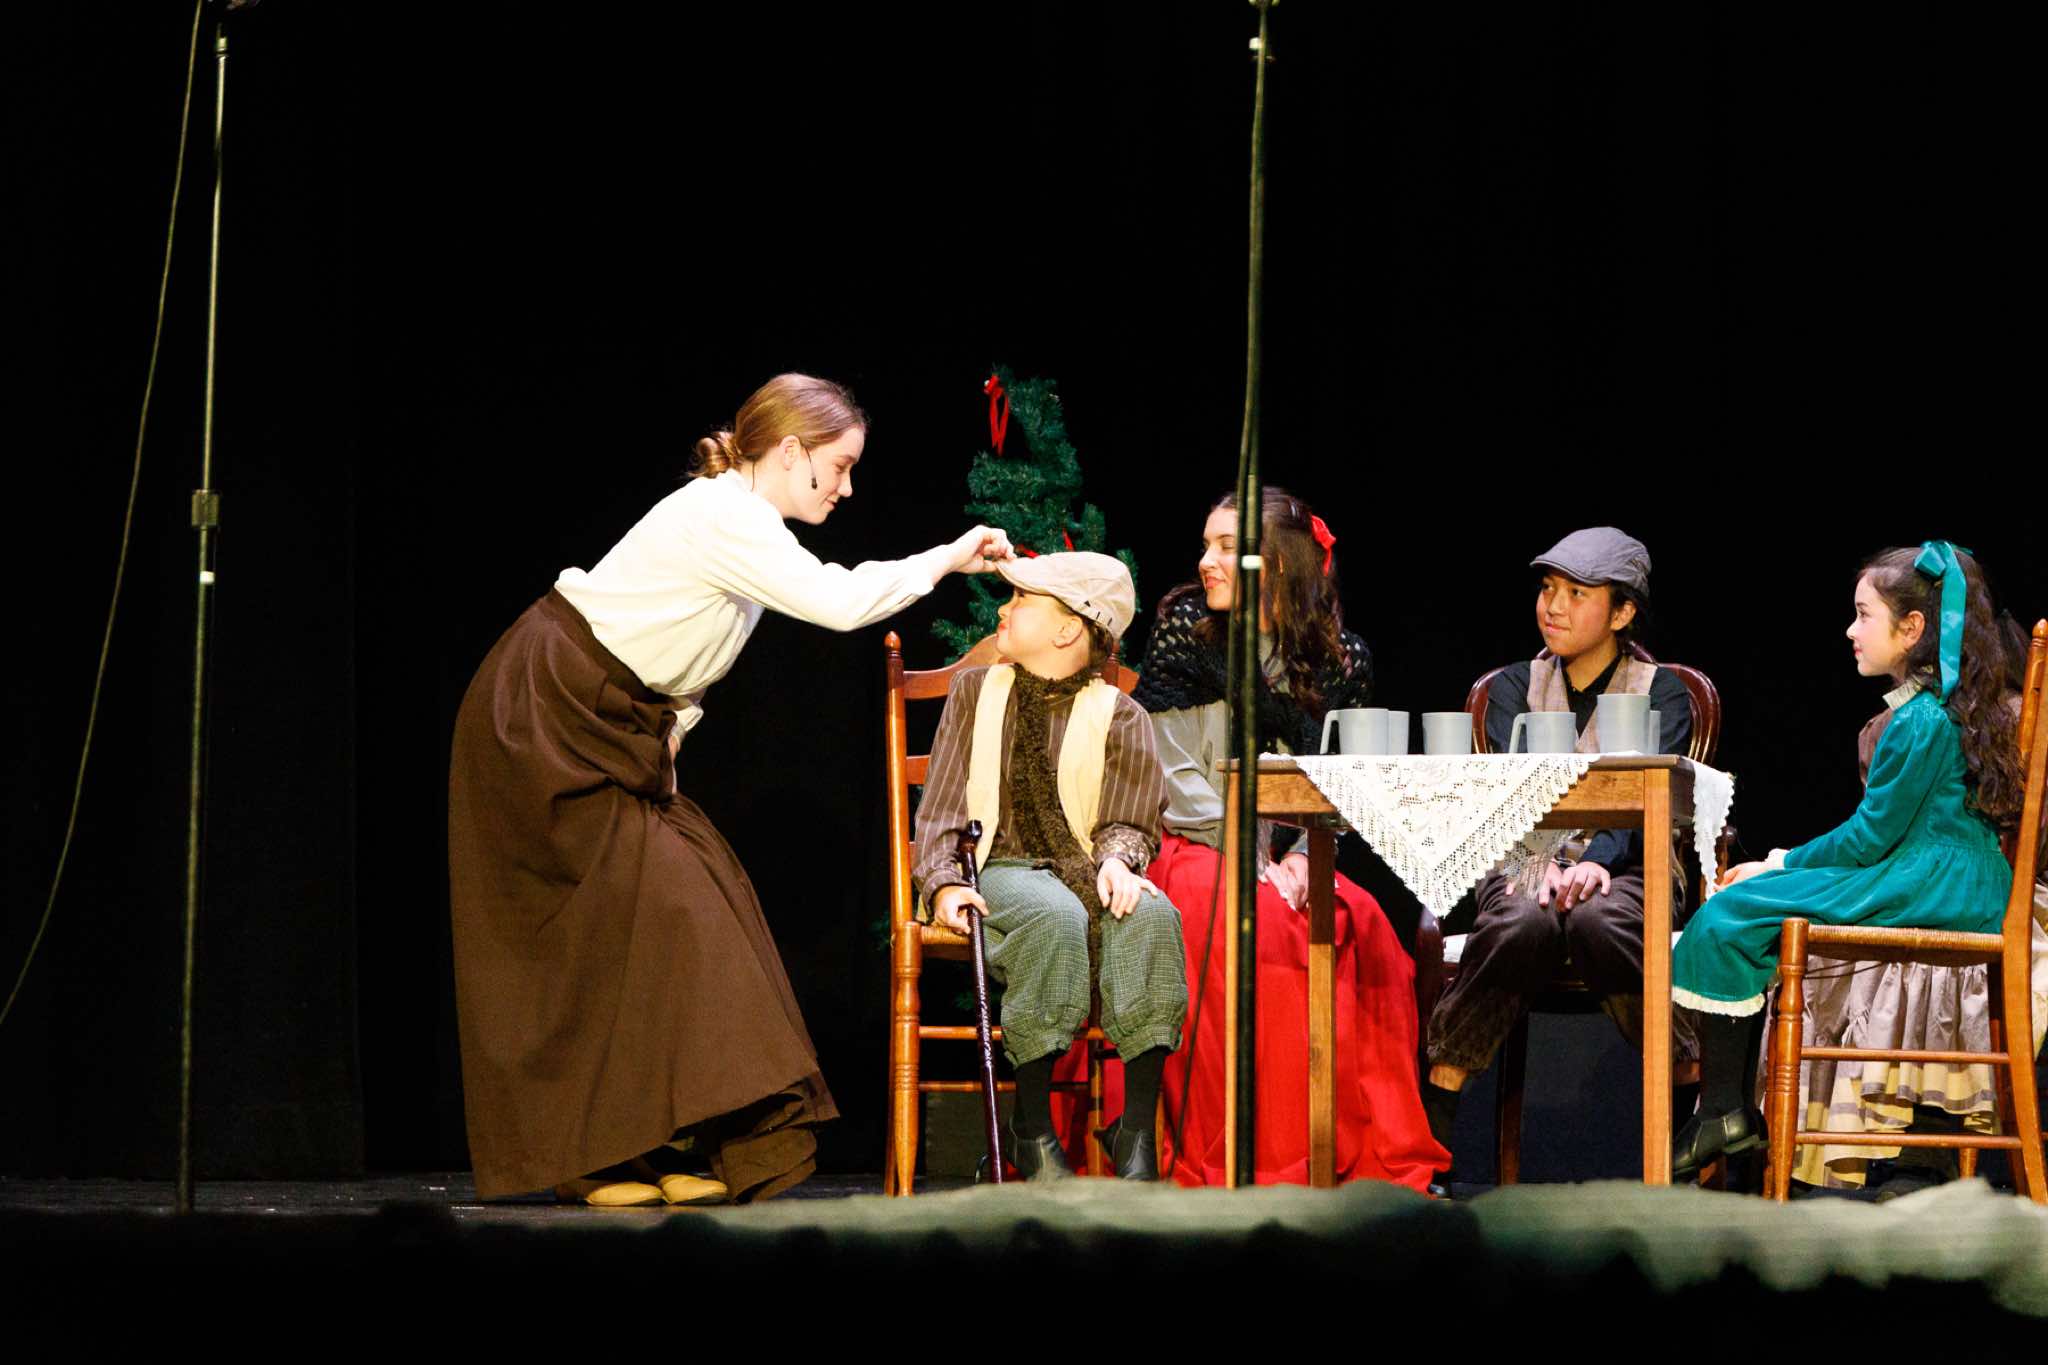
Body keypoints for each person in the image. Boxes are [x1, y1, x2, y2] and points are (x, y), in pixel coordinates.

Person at [448, 373, 1014, 1206]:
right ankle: (592, 1157)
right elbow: (839, 601)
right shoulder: (726, 516)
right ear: (788, 450)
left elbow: (682, 679)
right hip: (545, 714)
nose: (847, 488)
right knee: (609, 930)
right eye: (839, 465)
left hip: (609, 728)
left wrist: (663, 751)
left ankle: (662, 1142)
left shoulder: (748, 530)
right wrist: (948, 556)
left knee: (687, 910)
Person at [1672, 542, 2022, 1180]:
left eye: (1864, 615)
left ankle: (1723, 1110)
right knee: (1745, 908)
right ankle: (1726, 1111)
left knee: (1735, 909)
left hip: (1931, 883)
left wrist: (1781, 864)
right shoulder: (1938, 711)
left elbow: (1867, 839)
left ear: (1911, 628)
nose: (1850, 631)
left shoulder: (1920, 721)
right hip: (1944, 877)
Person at [1138, 488, 1446, 1191]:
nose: (1205, 561)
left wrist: (1307, 858)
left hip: (1293, 852)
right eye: (1206, 544)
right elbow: (1170, 770)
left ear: (1276, 563)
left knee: (1364, 922)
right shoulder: (1188, 631)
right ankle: (1266, 1153)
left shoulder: (1339, 658)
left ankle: (1355, 1143)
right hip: (1195, 841)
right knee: (1257, 925)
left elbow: (1345, 782)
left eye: (1227, 547)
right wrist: (1252, 858)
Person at [1421, 527, 1696, 1163]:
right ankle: (1434, 1128)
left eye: (1577, 593)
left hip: (1634, 865)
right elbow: (1504, 797)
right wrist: (1538, 863)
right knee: (1521, 920)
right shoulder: (1514, 688)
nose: (1554, 606)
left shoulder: (1661, 692)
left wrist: (1595, 863)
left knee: (1602, 920)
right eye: (1548, 589)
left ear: (1621, 613)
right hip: (1526, 860)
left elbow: (1652, 798)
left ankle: (1687, 1114)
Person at [910, 552, 1185, 1180]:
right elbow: (944, 807)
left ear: (1068, 629)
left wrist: (1118, 863)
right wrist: (944, 883)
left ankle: (1136, 1132)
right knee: (1053, 914)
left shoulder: (1121, 715)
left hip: (1083, 866)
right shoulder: (976, 694)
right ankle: (1031, 1129)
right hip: (996, 868)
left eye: (1021, 601)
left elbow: (1129, 818)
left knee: (1152, 915)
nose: (1003, 610)